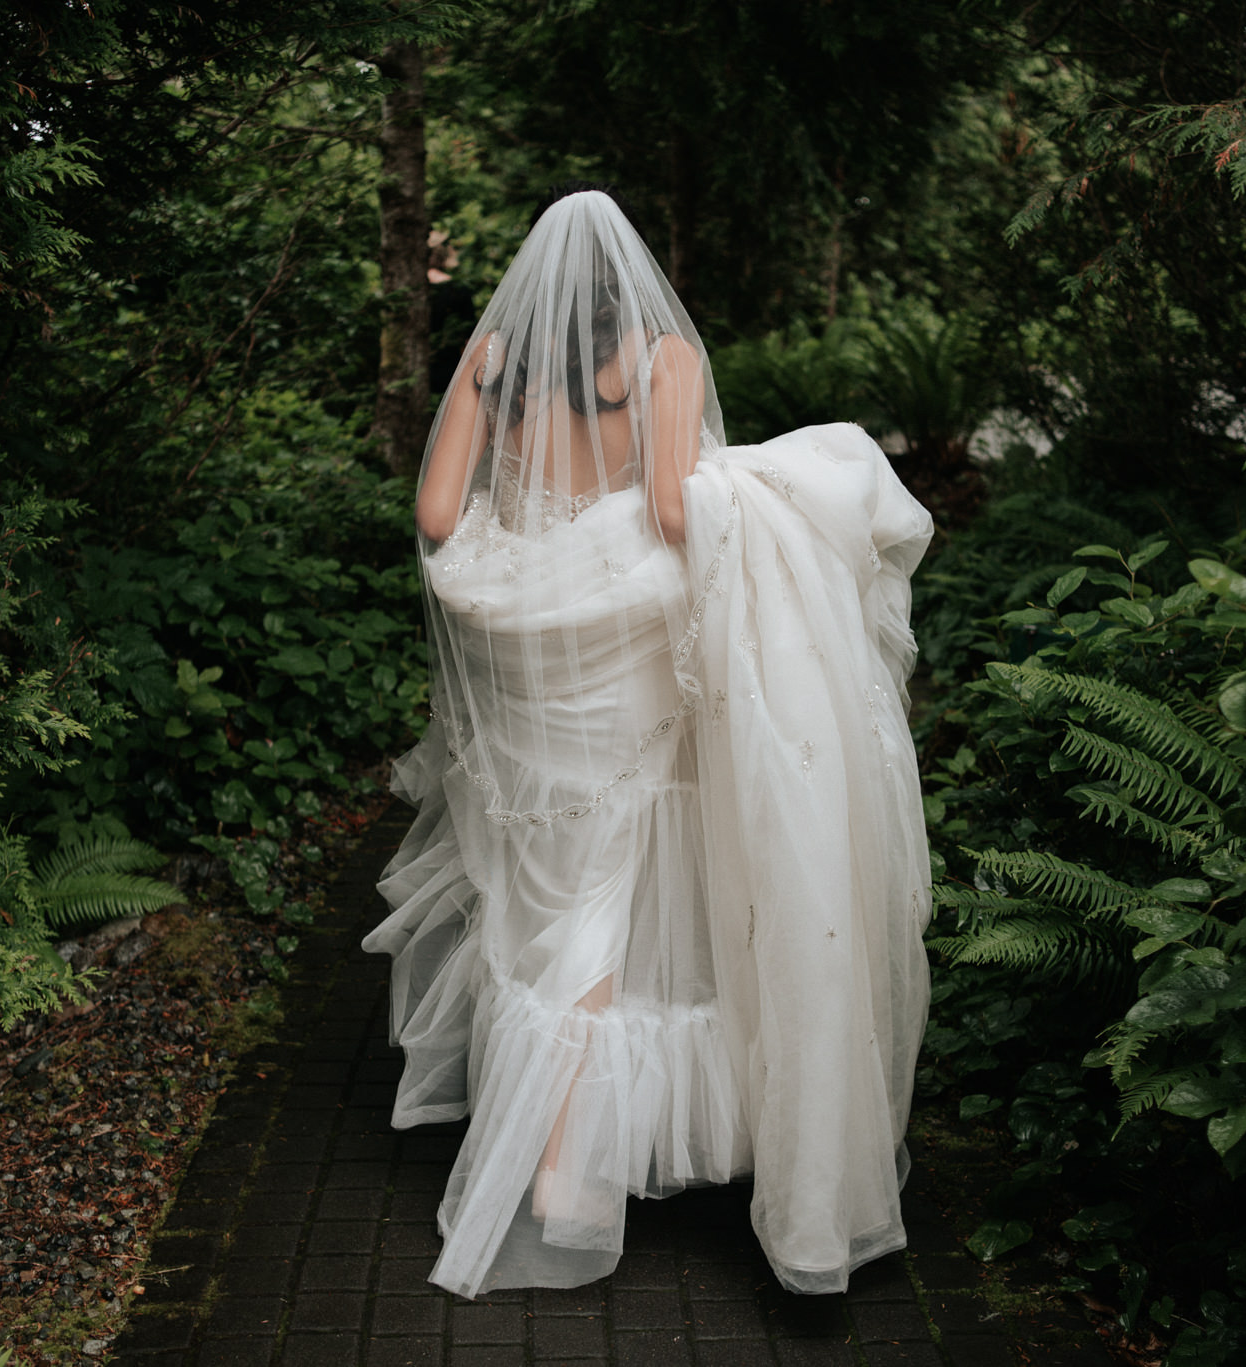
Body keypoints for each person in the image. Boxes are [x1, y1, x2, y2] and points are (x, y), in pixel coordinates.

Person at [363, 183, 934, 1299]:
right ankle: (583, 1173)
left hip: (531, 669)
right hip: (619, 653)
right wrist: (772, 492)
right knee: (634, 881)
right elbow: (675, 515)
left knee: (559, 896)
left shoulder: (490, 360)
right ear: (625, 279)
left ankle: (568, 1159)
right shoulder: (659, 358)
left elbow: (437, 520)